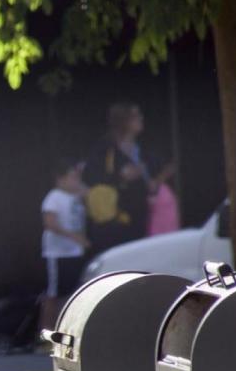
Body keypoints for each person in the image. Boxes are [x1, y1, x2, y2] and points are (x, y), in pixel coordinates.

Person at [83, 103, 171, 253]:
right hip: (115, 221)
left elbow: (168, 166)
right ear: (124, 121)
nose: (141, 118)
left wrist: (155, 182)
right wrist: (121, 177)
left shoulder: (143, 147)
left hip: (142, 217)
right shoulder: (105, 148)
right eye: (136, 116)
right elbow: (90, 176)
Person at [39, 157, 90, 334]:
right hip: (58, 253)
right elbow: (50, 223)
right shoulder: (54, 197)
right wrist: (75, 237)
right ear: (60, 179)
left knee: (73, 292)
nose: (76, 181)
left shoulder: (76, 196)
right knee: (53, 294)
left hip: (75, 252)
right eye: (72, 177)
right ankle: (46, 334)